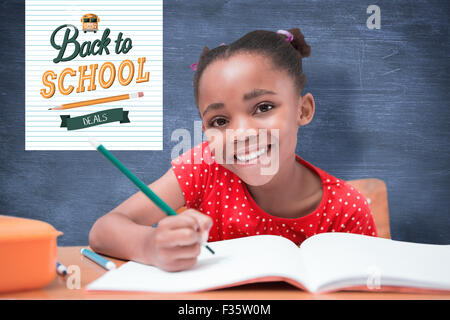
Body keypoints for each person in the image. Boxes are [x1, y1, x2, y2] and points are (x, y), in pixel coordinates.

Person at [89, 28, 378, 272]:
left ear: (302, 110)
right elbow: (103, 230)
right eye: (220, 121)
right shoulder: (204, 167)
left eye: (263, 107)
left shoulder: (348, 210)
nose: (240, 134)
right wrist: (149, 246)